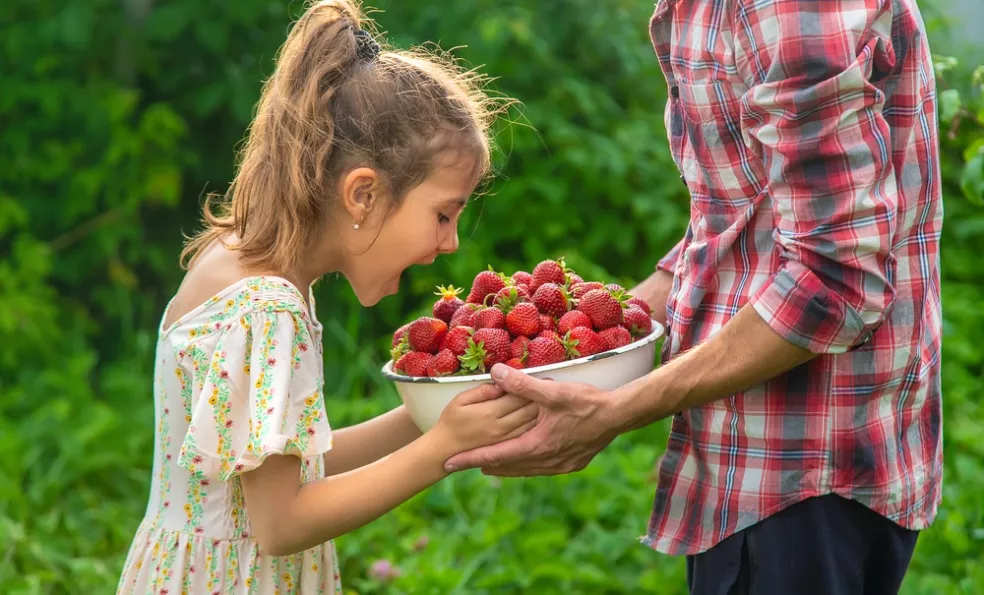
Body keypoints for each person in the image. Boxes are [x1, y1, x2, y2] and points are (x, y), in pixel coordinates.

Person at [445, 1, 944, 593]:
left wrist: (616, 410)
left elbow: (834, 283)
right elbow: (743, 217)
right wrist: (580, 342)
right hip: (752, 465)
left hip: (803, 474)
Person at [115, 2, 535, 593]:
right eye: (443, 214)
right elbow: (281, 524)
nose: (450, 243)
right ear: (362, 194)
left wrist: (435, 412)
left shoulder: (244, 266)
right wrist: (442, 448)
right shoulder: (269, 310)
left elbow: (289, 469)